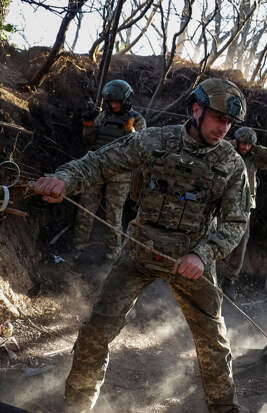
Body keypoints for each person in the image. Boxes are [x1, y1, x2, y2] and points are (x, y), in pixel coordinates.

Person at [34, 78, 250, 413]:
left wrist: (202, 254)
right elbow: (100, 162)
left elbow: (237, 222)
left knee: (213, 342)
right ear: (196, 110)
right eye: (218, 118)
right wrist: (65, 178)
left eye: (229, 122)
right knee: (96, 329)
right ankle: (76, 404)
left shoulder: (232, 165)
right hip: (139, 250)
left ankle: (224, 408)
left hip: (192, 260)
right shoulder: (155, 139)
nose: (224, 127)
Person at [76, 79, 147, 261]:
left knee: (113, 216)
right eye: (111, 102)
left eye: (117, 102)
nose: (114, 105)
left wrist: (131, 132)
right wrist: (89, 125)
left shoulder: (137, 119)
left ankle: (112, 255)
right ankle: (78, 248)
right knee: (85, 209)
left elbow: (141, 148)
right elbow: (89, 142)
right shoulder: (103, 116)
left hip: (120, 173)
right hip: (97, 168)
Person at [222, 127, 267, 297]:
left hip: (244, 207)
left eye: (249, 145)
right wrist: (233, 144)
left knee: (241, 244)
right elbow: (216, 146)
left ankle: (230, 280)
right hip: (223, 203)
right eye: (243, 143)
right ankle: (209, 273)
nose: (245, 147)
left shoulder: (255, 159)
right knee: (214, 235)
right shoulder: (227, 151)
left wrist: (256, 148)